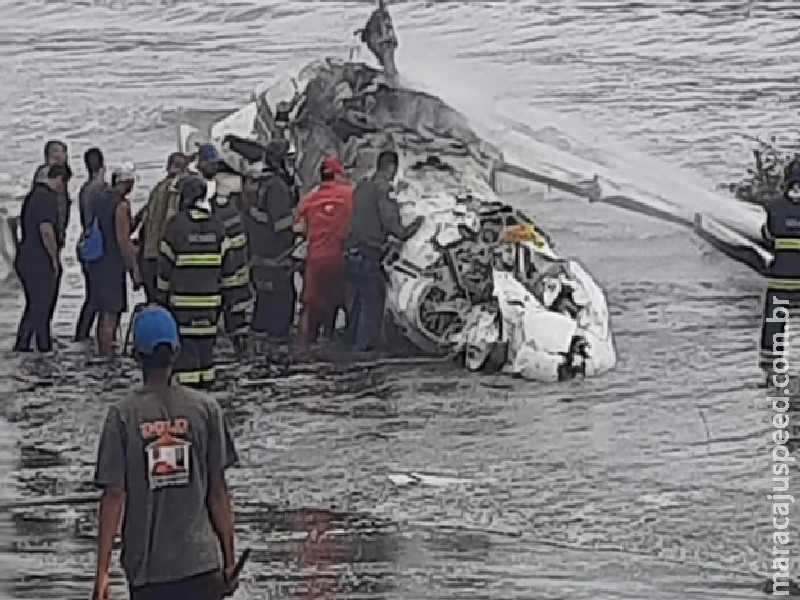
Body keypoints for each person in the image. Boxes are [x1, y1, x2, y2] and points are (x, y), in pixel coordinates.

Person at [91, 305, 239, 600]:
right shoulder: (206, 410)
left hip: (150, 573)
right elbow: (218, 492)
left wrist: (103, 573)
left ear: (136, 356)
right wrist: (229, 561)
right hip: (202, 564)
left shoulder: (122, 417)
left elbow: (114, 498)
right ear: (176, 351)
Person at [156, 175, 247, 389]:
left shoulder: (175, 227)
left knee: (185, 358)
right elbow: (229, 273)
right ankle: (207, 400)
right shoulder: (217, 227)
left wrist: (160, 301)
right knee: (206, 356)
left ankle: (187, 402)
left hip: (181, 306)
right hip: (210, 307)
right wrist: (231, 306)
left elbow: (164, 272)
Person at [343, 148, 423, 352]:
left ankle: (347, 349)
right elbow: (392, 225)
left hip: (350, 256)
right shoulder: (383, 189)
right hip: (368, 258)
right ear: (391, 168)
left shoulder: (361, 186)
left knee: (357, 307)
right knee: (372, 308)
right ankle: (363, 359)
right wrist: (414, 226)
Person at [198, 145, 253, 354]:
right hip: (234, 273)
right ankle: (240, 352)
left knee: (221, 318)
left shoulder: (215, 211)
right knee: (236, 320)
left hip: (224, 274)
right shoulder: (232, 206)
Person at [294, 157, 354, 347]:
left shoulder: (310, 199)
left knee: (310, 306)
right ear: (337, 175)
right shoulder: (351, 194)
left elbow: (299, 228)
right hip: (342, 259)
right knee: (341, 302)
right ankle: (334, 341)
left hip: (316, 260)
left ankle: (305, 346)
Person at [243, 140, 296, 341]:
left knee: (263, 310)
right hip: (277, 262)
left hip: (260, 260)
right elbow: (282, 228)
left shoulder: (261, 183)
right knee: (280, 313)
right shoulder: (277, 189)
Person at [13, 165, 69, 353]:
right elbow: (46, 230)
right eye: (64, 182)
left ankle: (23, 345)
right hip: (39, 261)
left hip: (25, 256)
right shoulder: (47, 198)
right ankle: (43, 348)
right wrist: (54, 259)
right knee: (42, 308)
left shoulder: (32, 196)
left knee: (33, 305)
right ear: (59, 178)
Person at [88, 165, 142, 358]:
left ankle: (103, 351)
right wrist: (134, 271)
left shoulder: (101, 199)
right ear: (126, 183)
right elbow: (123, 240)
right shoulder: (121, 205)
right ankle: (106, 355)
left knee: (103, 311)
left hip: (97, 261)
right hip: (112, 263)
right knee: (111, 312)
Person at [759, 170, 800, 376]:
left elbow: (767, 235)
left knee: (774, 325)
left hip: (780, 283)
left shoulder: (775, 207)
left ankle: (769, 368)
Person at [137, 153, 188, 302]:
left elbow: (145, 217)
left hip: (149, 254)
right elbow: (170, 221)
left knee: (154, 301)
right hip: (162, 255)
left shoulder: (157, 188)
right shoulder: (177, 189)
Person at [74, 147, 108, 342]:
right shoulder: (100, 189)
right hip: (98, 247)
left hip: (86, 243)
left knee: (92, 295)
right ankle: (86, 335)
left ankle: (83, 334)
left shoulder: (84, 188)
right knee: (97, 297)